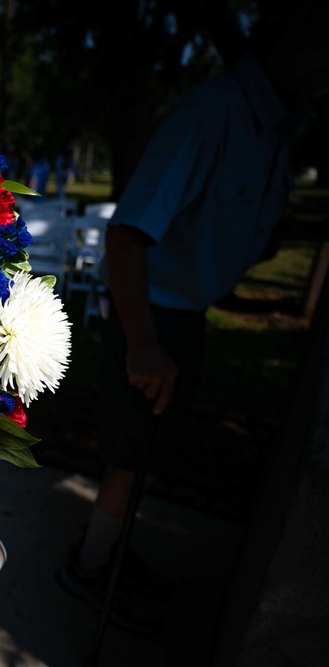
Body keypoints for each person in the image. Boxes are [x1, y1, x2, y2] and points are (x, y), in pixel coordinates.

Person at [56, 1, 329, 634]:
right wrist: (144, 344)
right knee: (132, 454)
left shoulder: (277, 128)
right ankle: (91, 567)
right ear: (293, 36)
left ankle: (110, 554)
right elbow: (126, 238)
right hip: (150, 310)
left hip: (187, 311)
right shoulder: (214, 113)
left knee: (153, 456)